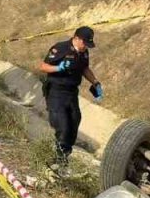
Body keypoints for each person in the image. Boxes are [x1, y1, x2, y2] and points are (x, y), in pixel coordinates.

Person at [38, 26, 103, 165]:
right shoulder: (60, 48)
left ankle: (64, 156)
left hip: (72, 92)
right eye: (85, 43)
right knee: (63, 125)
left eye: (88, 44)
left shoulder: (84, 53)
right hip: (56, 91)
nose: (86, 46)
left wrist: (95, 82)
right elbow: (43, 66)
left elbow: (84, 68)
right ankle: (57, 160)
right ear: (76, 38)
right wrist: (58, 68)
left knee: (74, 121)